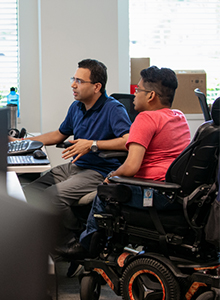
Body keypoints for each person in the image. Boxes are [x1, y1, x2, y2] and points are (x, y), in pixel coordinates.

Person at [56, 65, 191, 260]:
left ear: (151, 96)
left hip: (151, 191)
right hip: (173, 191)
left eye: (138, 90)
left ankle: (86, 247)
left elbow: (131, 166)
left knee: (104, 193)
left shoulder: (145, 119)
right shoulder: (178, 117)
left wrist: (110, 178)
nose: (134, 95)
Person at [10, 59, 131, 248]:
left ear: (97, 87)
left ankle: (76, 242)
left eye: (80, 81)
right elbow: (59, 134)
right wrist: (22, 142)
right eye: (73, 79)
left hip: (98, 171)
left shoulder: (113, 109)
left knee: (49, 198)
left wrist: (93, 145)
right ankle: (53, 237)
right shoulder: (77, 107)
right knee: (28, 193)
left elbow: (128, 141)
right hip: (75, 167)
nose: (73, 85)